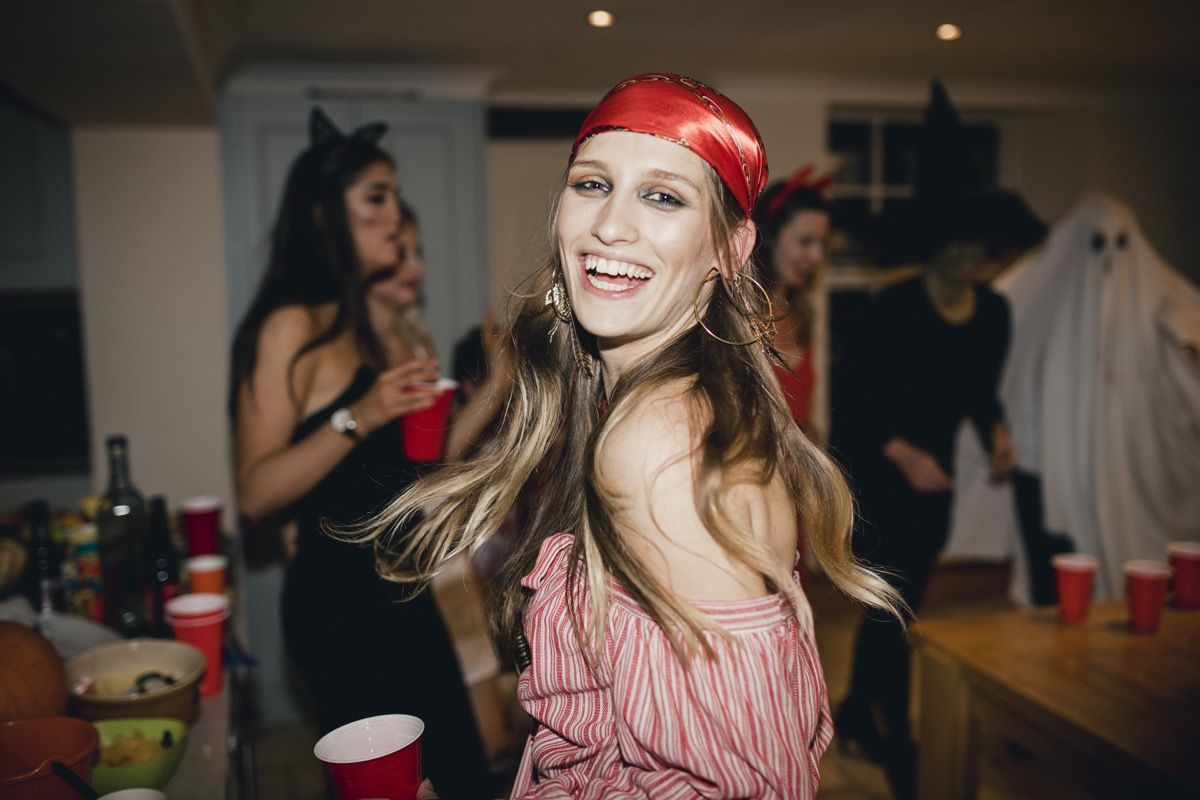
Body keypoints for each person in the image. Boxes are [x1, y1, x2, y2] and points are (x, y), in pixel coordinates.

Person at [360, 73, 900, 800]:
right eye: (591, 184)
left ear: (732, 247)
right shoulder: (649, 404)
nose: (610, 225)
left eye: (664, 196)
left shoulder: (661, 443)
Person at [228, 108, 491, 798]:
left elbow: (419, 469)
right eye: (376, 200)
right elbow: (255, 493)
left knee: (456, 769)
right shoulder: (290, 327)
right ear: (322, 217)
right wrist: (359, 413)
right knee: (387, 786)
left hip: (404, 587)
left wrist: (497, 391)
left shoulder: (381, 336)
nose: (396, 219)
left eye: (395, 200)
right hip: (336, 604)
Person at [830, 201, 1016, 799]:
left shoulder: (993, 313)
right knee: (895, 606)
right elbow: (851, 402)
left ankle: (858, 709)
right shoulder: (895, 308)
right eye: (958, 246)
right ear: (935, 246)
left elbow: (981, 391)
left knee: (899, 598)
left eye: (979, 249)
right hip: (879, 471)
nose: (969, 260)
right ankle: (898, 741)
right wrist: (900, 451)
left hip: (935, 479)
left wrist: (997, 431)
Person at [952, 192, 1200, 605]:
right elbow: (987, 367)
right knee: (1053, 566)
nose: (1105, 263)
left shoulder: (1157, 304)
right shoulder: (1031, 301)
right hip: (1041, 460)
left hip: (1120, 461)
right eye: (1096, 245)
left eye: (1119, 246)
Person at [753, 166, 832, 441]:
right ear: (771, 238)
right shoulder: (739, 313)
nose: (816, 256)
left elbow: (799, 412)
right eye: (805, 241)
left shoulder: (802, 314)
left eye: (822, 243)